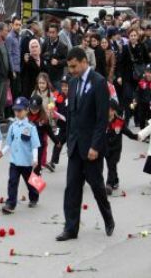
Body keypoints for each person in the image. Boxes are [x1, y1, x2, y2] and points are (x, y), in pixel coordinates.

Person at [56, 47, 115, 242]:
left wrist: (96, 147)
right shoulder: (72, 83)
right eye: (69, 67)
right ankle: (70, 229)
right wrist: (66, 140)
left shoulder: (99, 83)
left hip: (91, 149)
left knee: (97, 186)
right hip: (75, 146)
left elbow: (101, 119)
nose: (71, 71)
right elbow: (71, 115)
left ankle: (108, 217)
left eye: (74, 66)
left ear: (83, 62)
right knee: (71, 188)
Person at [1, 97, 40, 214]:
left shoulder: (31, 127)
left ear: (27, 110)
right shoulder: (12, 126)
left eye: (20, 110)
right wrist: (1, 153)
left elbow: (35, 145)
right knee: (12, 182)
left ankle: (34, 196)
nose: (17, 112)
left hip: (27, 162)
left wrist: (35, 159)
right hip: (14, 161)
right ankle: (10, 204)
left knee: (30, 183)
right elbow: (8, 143)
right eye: (16, 110)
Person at [105, 99, 137, 195]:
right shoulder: (102, 121)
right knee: (111, 166)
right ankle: (115, 180)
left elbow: (127, 132)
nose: (108, 111)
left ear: (114, 110)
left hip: (116, 149)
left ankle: (109, 184)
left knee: (112, 164)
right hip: (106, 148)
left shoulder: (120, 121)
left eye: (110, 109)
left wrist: (136, 136)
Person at [119, 28, 149, 125]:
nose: (133, 37)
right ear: (128, 37)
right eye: (131, 35)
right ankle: (127, 119)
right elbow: (121, 63)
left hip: (140, 76)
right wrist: (119, 76)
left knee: (138, 98)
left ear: (138, 36)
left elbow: (147, 60)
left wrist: (146, 73)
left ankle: (137, 119)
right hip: (128, 76)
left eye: (135, 35)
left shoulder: (142, 46)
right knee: (127, 97)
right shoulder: (125, 47)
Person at [28, 95, 59, 180]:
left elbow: (50, 132)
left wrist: (57, 142)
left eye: (36, 108)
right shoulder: (26, 117)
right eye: (32, 108)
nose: (34, 110)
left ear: (40, 107)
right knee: (28, 165)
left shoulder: (44, 119)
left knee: (37, 165)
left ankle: (36, 182)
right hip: (27, 145)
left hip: (39, 145)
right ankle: (31, 177)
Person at [46, 75, 70, 172]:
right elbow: (52, 103)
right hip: (61, 124)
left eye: (66, 86)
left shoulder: (74, 96)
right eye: (63, 85)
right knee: (58, 142)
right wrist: (50, 107)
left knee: (72, 146)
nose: (64, 88)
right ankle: (52, 162)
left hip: (71, 126)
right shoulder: (59, 96)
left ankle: (74, 165)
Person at [41, 24, 68, 90]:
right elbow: (41, 55)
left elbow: (67, 61)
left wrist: (58, 62)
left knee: (58, 98)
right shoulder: (45, 42)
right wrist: (44, 56)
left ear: (57, 33)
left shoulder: (63, 46)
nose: (51, 35)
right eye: (50, 32)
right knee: (47, 97)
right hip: (46, 76)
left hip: (57, 78)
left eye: (53, 32)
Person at [0, 23, 11, 122]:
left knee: (3, 98)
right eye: (5, 30)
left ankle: (1, 116)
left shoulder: (3, 43)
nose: (7, 32)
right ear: (0, 31)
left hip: (5, 75)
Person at [5, 16, 22, 98]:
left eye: (19, 25)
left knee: (17, 92)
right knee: (14, 93)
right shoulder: (9, 37)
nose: (18, 27)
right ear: (12, 25)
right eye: (16, 24)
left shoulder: (18, 36)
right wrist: (12, 71)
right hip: (13, 70)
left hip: (18, 68)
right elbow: (9, 54)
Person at [134, 64, 151, 129]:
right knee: (142, 119)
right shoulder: (142, 82)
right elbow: (137, 92)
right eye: (147, 72)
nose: (148, 74)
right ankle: (142, 133)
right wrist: (135, 100)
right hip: (143, 104)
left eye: (150, 72)